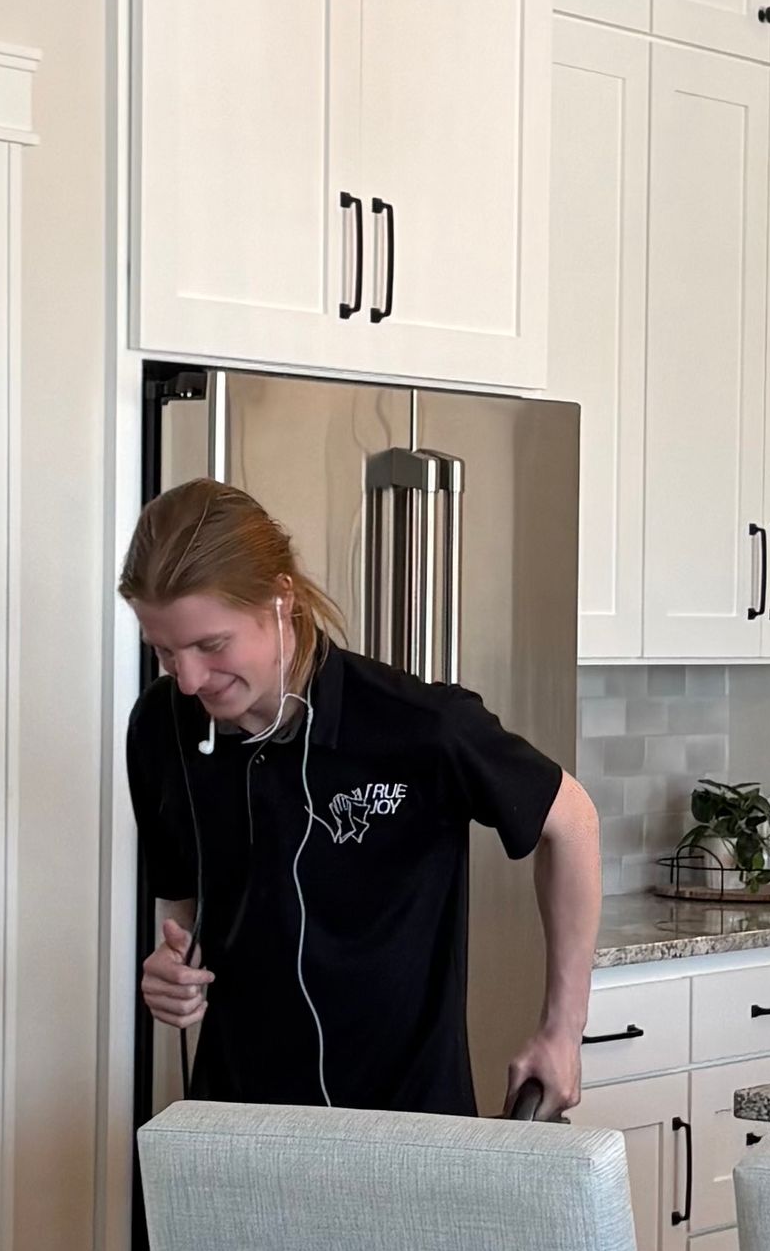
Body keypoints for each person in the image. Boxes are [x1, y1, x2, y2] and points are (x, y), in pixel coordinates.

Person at [122, 478, 601, 1115]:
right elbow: (184, 905)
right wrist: (172, 971)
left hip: (409, 1128)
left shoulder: (420, 724)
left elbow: (573, 820)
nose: (187, 680)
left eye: (211, 646)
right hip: (239, 1126)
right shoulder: (159, 727)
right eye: (163, 652)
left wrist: (562, 1032)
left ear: (280, 600)